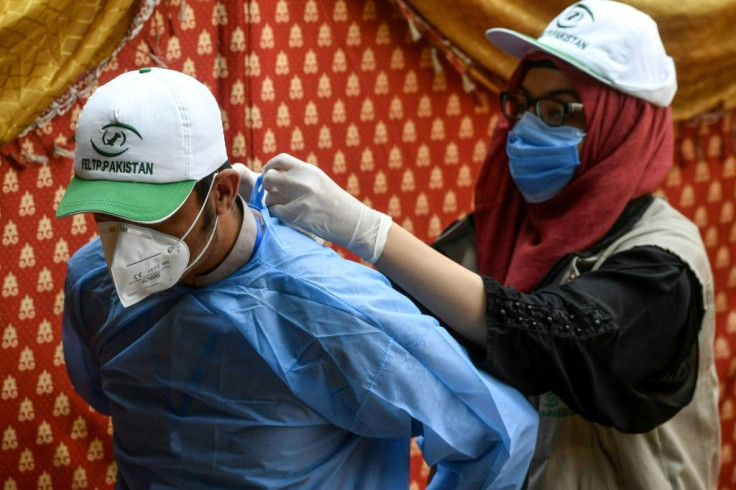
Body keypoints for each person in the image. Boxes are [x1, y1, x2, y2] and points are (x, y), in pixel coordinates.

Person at [248, 1, 720, 488]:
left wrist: (369, 230)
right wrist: (272, 240)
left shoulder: (661, 264)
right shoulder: (495, 232)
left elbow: (551, 337)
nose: (525, 128)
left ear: (621, 126)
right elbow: (381, 320)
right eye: (521, 105)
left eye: (558, 110)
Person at [54, 67, 539, 489]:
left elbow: (498, 433)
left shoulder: (330, 308)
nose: (125, 241)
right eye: (106, 215)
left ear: (221, 193)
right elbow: (106, 394)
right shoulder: (94, 280)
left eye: (150, 217)